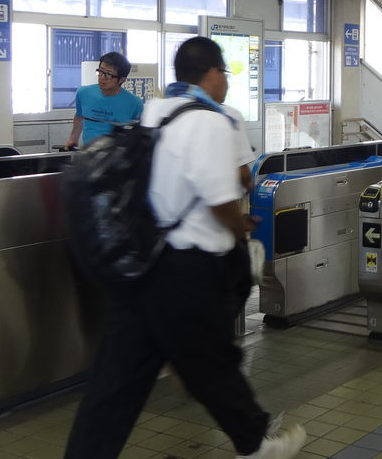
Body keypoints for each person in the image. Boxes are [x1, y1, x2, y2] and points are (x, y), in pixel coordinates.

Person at [64, 38, 304, 459]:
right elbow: (218, 199)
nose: (226, 83)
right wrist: (240, 227)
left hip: (143, 261)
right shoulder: (209, 123)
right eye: (224, 75)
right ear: (211, 73)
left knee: (116, 383)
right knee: (211, 363)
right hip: (186, 267)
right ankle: (255, 443)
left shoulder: (159, 110)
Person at [64, 52, 143, 150]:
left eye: (109, 75)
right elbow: (79, 117)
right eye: (100, 71)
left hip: (117, 159)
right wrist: (73, 138)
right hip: (88, 156)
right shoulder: (83, 93)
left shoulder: (135, 104)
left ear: (122, 79)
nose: (102, 77)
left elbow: (138, 135)